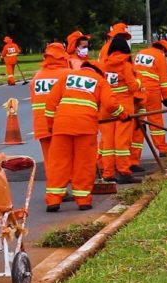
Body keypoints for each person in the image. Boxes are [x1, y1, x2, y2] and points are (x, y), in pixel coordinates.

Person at [43, 60, 129, 212]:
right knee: (84, 163)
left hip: (62, 126)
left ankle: (53, 200)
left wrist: (51, 125)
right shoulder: (100, 81)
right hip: (86, 127)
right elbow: (110, 104)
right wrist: (123, 114)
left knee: (58, 163)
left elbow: (50, 103)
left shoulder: (68, 77)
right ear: (98, 72)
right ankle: (83, 200)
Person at [99, 36, 142, 184]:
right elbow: (133, 87)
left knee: (107, 143)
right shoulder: (125, 66)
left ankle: (108, 173)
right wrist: (138, 81)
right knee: (122, 142)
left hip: (106, 107)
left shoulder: (103, 65)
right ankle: (124, 172)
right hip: (123, 108)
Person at [131, 39, 167, 165]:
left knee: (139, 122)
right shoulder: (159, 56)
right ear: (164, 50)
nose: (165, 56)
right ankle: (162, 148)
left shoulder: (140, 53)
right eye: (166, 54)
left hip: (138, 91)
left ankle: (133, 157)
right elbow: (164, 80)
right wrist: (166, 97)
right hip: (152, 91)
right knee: (155, 120)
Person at [30, 42, 70, 167]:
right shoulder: (68, 74)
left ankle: (53, 184)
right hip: (60, 123)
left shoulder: (37, 76)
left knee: (49, 160)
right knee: (64, 157)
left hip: (41, 124)